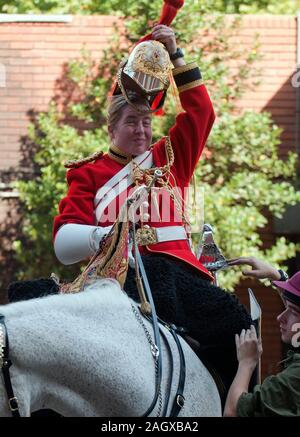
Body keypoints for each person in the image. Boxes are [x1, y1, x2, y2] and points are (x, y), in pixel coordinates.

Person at [53, 24, 252, 399]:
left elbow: (202, 111)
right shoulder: (89, 172)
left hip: (181, 273)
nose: (142, 130)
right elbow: (64, 243)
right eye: (131, 122)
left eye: (146, 122)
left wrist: (176, 55)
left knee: (239, 326)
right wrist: (110, 235)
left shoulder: (170, 155)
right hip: (119, 277)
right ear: (112, 128)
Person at [224, 257, 300, 417]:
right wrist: (277, 276)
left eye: (292, 312)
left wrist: (246, 362)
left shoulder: (295, 377)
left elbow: (232, 413)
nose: (280, 317)